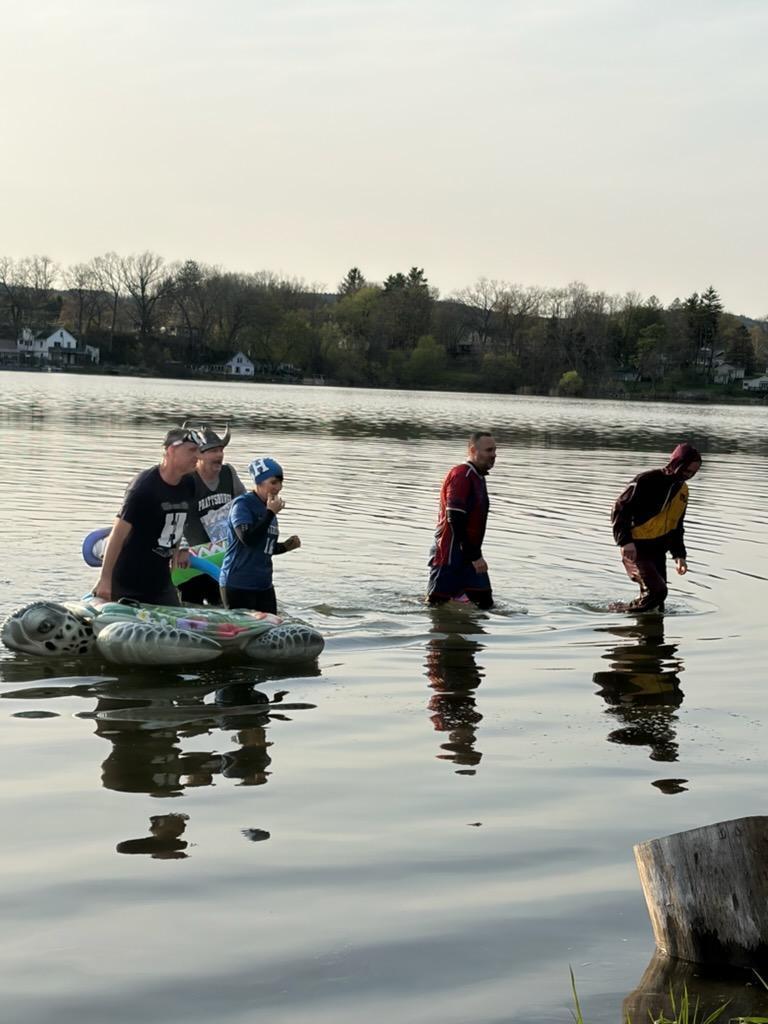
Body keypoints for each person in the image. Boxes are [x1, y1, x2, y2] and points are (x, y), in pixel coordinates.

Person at [93, 427, 202, 606]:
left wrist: (177, 548)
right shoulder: (144, 488)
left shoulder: (189, 484)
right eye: (191, 450)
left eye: (198, 450)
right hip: (128, 580)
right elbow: (117, 536)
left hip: (160, 582)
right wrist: (105, 580)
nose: (197, 456)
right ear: (171, 451)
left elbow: (177, 519)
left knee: (175, 629)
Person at [611, 442, 702, 613]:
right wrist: (625, 542)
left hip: (658, 551)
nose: (689, 476)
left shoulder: (682, 490)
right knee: (657, 592)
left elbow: (677, 524)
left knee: (658, 605)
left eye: (694, 473)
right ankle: (621, 615)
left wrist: (679, 555)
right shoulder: (646, 481)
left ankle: (632, 621)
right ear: (677, 464)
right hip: (636, 549)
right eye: (687, 470)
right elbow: (619, 508)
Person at [219, 457, 301, 614]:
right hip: (238, 583)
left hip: (263, 585)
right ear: (259, 482)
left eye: (281, 482)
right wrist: (270, 513)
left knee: (271, 631)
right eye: (274, 482)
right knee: (243, 634)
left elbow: (264, 547)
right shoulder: (243, 504)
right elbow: (247, 539)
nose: (279, 487)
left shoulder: (269, 509)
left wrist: (286, 546)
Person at [427, 431, 497, 609]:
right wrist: (474, 556)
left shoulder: (478, 477)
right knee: (436, 606)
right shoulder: (461, 475)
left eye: (495, 450)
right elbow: (455, 518)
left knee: (485, 604)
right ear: (473, 450)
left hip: (469, 554)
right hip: (449, 555)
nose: (494, 455)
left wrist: (474, 554)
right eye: (489, 450)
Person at [178, 423, 246, 605]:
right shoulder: (186, 480)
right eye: (212, 451)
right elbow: (174, 517)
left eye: (221, 450)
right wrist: (180, 549)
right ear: (198, 455)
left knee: (222, 604)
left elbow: (246, 506)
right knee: (191, 603)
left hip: (223, 556)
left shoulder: (229, 473)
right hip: (192, 559)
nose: (219, 455)